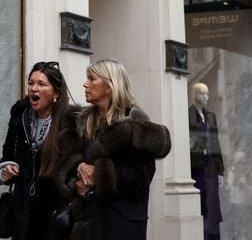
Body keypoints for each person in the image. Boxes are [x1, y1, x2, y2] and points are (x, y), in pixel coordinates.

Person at [54, 59, 171, 240]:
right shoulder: (80, 122)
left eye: (92, 79)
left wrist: (98, 174)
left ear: (109, 86)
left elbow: (141, 177)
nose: (85, 84)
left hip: (122, 223)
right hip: (85, 222)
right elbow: (64, 163)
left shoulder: (134, 123)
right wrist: (79, 168)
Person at [0, 61, 70, 240]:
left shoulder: (68, 122)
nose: (34, 88)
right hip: (23, 209)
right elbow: (8, 152)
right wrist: (7, 167)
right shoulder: (20, 116)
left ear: (55, 93)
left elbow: (72, 168)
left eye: (41, 84)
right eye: (31, 83)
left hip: (53, 212)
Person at [188, 82, 224, 240]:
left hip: (211, 168)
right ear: (194, 95)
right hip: (196, 168)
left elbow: (216, 142)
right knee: (201, 205)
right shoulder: (187, 114)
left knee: (213, 207)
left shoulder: (211, 116)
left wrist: (220, 169)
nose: (205, 97)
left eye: (207, 93)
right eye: (202, 93)